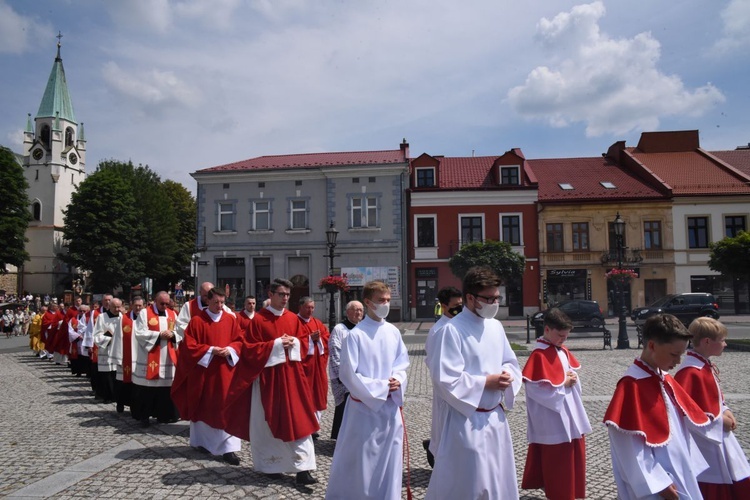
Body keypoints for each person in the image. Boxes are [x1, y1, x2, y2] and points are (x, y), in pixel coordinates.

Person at [424, 266, 522, 499]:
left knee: (498, 480)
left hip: (495, 419)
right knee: (467, 484)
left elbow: (510, 360)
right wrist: (486, 382)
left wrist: (508, 374)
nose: (494, 303)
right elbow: (445, 379)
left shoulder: (496, 327)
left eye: (497, 298)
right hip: (465, 420)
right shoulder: (451, 330)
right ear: (470, 297)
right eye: (489, 298)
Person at [604, 314, 711, 500]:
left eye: (681, 355)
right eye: (674, 354)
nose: (678, 361)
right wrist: (658, 483)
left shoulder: (664, 377)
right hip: (656, 485)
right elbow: (628, 447)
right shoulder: (631, 385)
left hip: (678, 470)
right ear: (652, 345)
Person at [224, 278, 319, 485]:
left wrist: (294, 342)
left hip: (292, 378)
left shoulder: (294, 318)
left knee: (300, 421)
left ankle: (304, 469)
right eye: (281, 294)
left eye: (287, 295)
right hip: (268, 379)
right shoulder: (259, 320)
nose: (285, 298)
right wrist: (276, 345)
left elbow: (304, 343)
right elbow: (249, 349)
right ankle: (271, 466)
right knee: (266, 424)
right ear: (270, 295)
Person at [326, 281, 410, 500]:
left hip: (390, 409)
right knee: (363, 461)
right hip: (364, 411)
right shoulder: (355, 335)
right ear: (368, 302)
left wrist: (398, 380)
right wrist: (383, 386)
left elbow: (402, 364)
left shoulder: (393, 331)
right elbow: (348, 375)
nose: (385, 305)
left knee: (389, 460)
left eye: (388, 300)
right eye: (381, 301)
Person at [674, 317, 750, 498]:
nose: (725, 344)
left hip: (719, 438)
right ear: (707, 342)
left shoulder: (703, 365)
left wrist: (725, 410)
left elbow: (715, 399)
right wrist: (719, 421)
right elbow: (687, 413)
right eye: (721, 340)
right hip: (705, 444)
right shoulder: (690, 372)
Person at [521, 308, 592, 499]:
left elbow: (570, 373)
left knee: (572, 458)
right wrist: (563, 385)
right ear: (547, 329)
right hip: (552, 419)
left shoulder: (561, 350)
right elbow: (535, 390)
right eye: (560, 335)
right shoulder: (539, 355)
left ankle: (570, 493)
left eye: (566, 336)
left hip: (570, 414)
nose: (563, 340)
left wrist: (573, 378)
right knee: (557, 462)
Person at [171, 287, 245, 465]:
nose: (220, 306)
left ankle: (229, 449)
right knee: (204, 405)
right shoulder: (197, 321)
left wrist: (230, 349)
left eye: (222, 302)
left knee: (226, 407)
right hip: (204, 372)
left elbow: (240, 340)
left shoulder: (230, 319)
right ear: (208, 302)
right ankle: (202, 442)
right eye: (216, 303)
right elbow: (188, 346)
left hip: (226, 371)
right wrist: (210, 350)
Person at [423, 286, 462, 467]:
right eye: (455, 305)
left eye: (461, 304)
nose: (459, 308)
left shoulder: (460, 324)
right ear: (444, 306)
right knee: (444, 429)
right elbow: (433, 361)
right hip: (446, 389)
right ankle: (436, 455)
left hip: (460, 388)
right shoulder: (439, 330)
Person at [132, 291, 181, 427]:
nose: (164, 306)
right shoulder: (144, 313)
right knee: (148, 389)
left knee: (166, 389)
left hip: (168, 357)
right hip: (150, 356)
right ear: (155, 301)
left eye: (167, 303)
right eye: (161, 303)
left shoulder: (173, 314)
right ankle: (145, 416)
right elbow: (140, 333)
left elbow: (180, 332)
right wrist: (159, 335)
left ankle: (165, 416)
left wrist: (173, 334)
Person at [328, 300, 364, 440]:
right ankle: (341, 437)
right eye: (355, 310)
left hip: (360, 375)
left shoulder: (363, 328)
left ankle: (356, 436)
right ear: (347, 312)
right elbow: (335, 351)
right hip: (343, 376)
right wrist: (342, 375)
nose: (358, 313)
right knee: (345, 405)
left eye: (360, 310)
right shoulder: (339, 329)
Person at [297, 296, 330, 429]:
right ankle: (304, 424)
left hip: (317, 366)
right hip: (304, 367)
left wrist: (320, 339)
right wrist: (309, 339)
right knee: (304, 394)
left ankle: (315, 424)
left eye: (312, 307)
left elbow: (327, 338)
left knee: (318, 394)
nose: (310, 310)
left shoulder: (317, 322)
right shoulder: (295, 321)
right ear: (300, 307)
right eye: (307, 307)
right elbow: (293, 341)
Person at [110, 297, 142, 413]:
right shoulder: (124, 319)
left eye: (140, 306)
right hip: (126, 357)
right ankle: (121, 403)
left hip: (141, 358)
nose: (138, 308)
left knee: (137, 385)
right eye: (136, 305)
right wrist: (118, 357)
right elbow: (118, 338)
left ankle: (135, 407)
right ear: (131, 305)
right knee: (123, 384)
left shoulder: (146, 319)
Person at [93, 298, 124, 403]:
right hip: (106, 350)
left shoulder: (123, 317)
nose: (117, 309)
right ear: (109, 306)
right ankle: (108, 396)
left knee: (118, 375)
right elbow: (96, 335)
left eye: (118, 306)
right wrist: (109, 338)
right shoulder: (102, 317)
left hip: (119, 350)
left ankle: (118, 397)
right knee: (107, 376)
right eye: (114, 307)